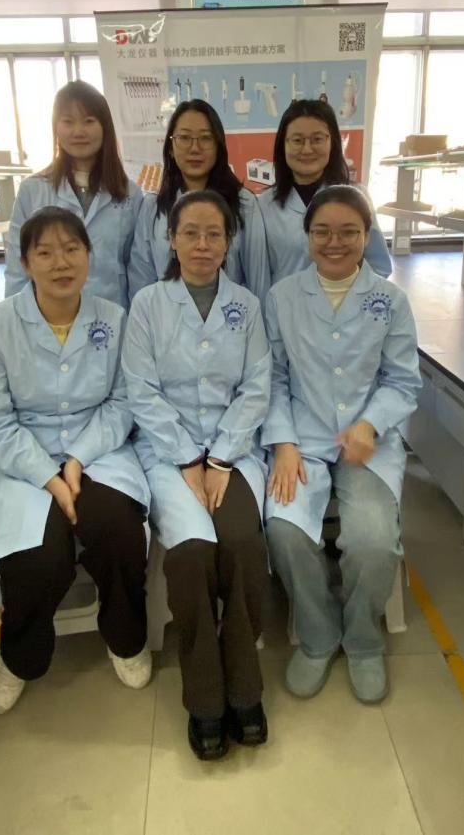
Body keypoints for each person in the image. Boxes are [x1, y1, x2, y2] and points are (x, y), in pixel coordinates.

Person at [0, 206, 152, 714]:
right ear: (25, 262)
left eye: (71, 249)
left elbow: (124, 401)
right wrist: (48, 476)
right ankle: (19, 658)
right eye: (44, 252)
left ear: (89, 256)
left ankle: (126, 639)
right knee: (37, 558)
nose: (60, 263)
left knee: (120, 532)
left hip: (99, 451)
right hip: (22, 461)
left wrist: (77, 459)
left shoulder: (114, 319)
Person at [122, 190, 270, 761]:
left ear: (229, 242)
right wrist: (188, 459)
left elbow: (257, 388)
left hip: (232, 452)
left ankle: (245, 685)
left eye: (214, 234)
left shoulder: (246, 306)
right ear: (172, 239)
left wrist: (221, 458)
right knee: (190, 555)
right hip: (168, 454)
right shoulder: (147, 305)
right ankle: (206, 697)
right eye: (191, 233)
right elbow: (141, 390)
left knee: (242, 544)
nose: (202, 245)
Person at [262, 186, 420, 705]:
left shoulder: (390, 302)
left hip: (369, 441)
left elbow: (403, 381)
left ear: (367, 236)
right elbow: (273, 379)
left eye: (349, 232)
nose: (335, 242)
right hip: (303, 438)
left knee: (373, 541)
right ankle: (317, 634)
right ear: (307, 236)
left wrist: (370, 424)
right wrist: (283, 443)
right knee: (284, 529)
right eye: (322, 231)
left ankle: (363, 640)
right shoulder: (282, 297)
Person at [4, 80, 143, 309]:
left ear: (104, 127)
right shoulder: (33, 190)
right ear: (56, 128)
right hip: (48, 315)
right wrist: (17, 319)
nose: (78, 132)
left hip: (112, 316)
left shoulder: (130, 194)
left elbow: (137, 269)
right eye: (68, 122)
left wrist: (138, 321)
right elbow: (17, 267)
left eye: (89, 121)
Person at [128, 100, 269, 303]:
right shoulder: (153, 206)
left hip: (229, 318)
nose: (195, 148)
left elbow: (258, 280)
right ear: (170, 147)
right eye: (184, 138)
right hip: (166, 319)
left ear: (218, 146)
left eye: (205, 138)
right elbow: (141, 280)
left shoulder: (243, 203)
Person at [257, 99, 392, 285]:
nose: (307, 149)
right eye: (297, 140)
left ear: (332, 142)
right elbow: (258, 274)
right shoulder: (263, 205)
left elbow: (379, 266)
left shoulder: (357, 197)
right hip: (283, 303)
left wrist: (355, 299)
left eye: (317, 139)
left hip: (344, 303)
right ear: (283, 145)